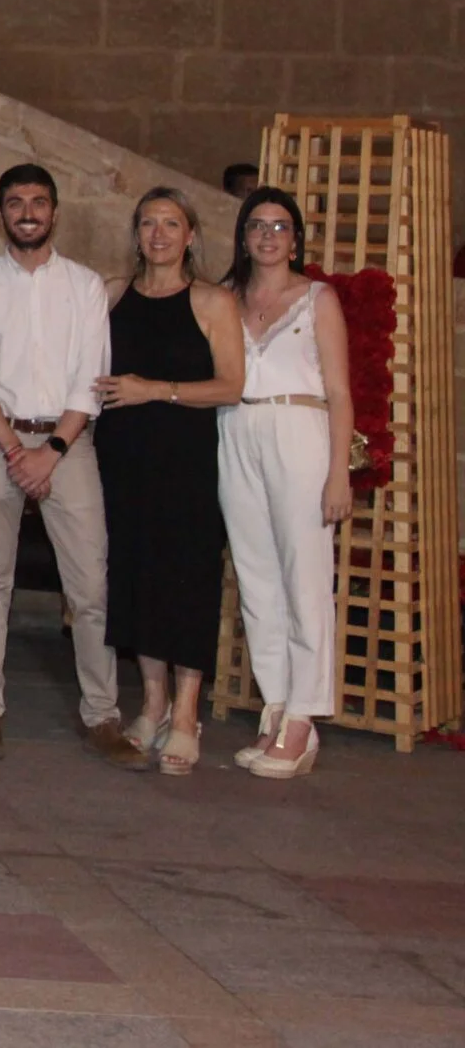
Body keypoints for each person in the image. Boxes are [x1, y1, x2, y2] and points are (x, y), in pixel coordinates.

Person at [0, 164, 142, 767]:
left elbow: (91, 378)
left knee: (90, 586)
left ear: (55, 211)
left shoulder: (86, 286)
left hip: (68, 443)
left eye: (38, 202)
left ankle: (103, 715)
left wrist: (52, 452)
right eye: (16, 203)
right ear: (1, 213)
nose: (28, 212)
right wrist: (14, 450)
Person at [96, 187, 244, 775]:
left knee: (186, 580)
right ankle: (152, 703)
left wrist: (153, 389)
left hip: (185, 460)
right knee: (136, 577)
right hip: (123, 455)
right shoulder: (112, 295)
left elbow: (231, 385)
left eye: (171, 224)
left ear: (190, 236)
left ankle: (186, 713)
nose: (159, 234)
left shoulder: (212, 302)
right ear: (136, 234)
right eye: (149, 223)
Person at [219, 189, 354, 780]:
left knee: (304, 574)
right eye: (257, 225)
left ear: (296, 238)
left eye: (279, 226)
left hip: (300, 428)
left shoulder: (318, 299)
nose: (268, 235)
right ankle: (276, 704)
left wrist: (338, 472)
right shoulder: (228, 299)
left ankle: (304, 715)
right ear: (244, 237)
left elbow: (343, 391)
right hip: (237, 429)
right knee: (256, 576)